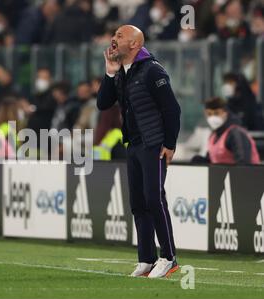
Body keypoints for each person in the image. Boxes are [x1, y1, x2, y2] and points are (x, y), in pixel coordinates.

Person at [97, 25, 181, 278]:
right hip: (133, 144)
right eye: (113, 35)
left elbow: (172, 109)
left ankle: (169, 257)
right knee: (138, 203)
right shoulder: (123, 72)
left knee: (154, 199)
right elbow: (103, 103)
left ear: (134, 44)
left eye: (120, 36)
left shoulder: (152, 70)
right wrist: (110, 74)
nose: (113, 39)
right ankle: (146, 259)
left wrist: (170, 143)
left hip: (153, 144)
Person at [193, 97, 261, 165]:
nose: (212, 117)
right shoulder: (213, 136)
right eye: (209, 114)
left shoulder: (235, 134)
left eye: (216, 113)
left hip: (245, 175)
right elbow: (213, 159)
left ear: (225, 113)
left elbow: (243, 163)